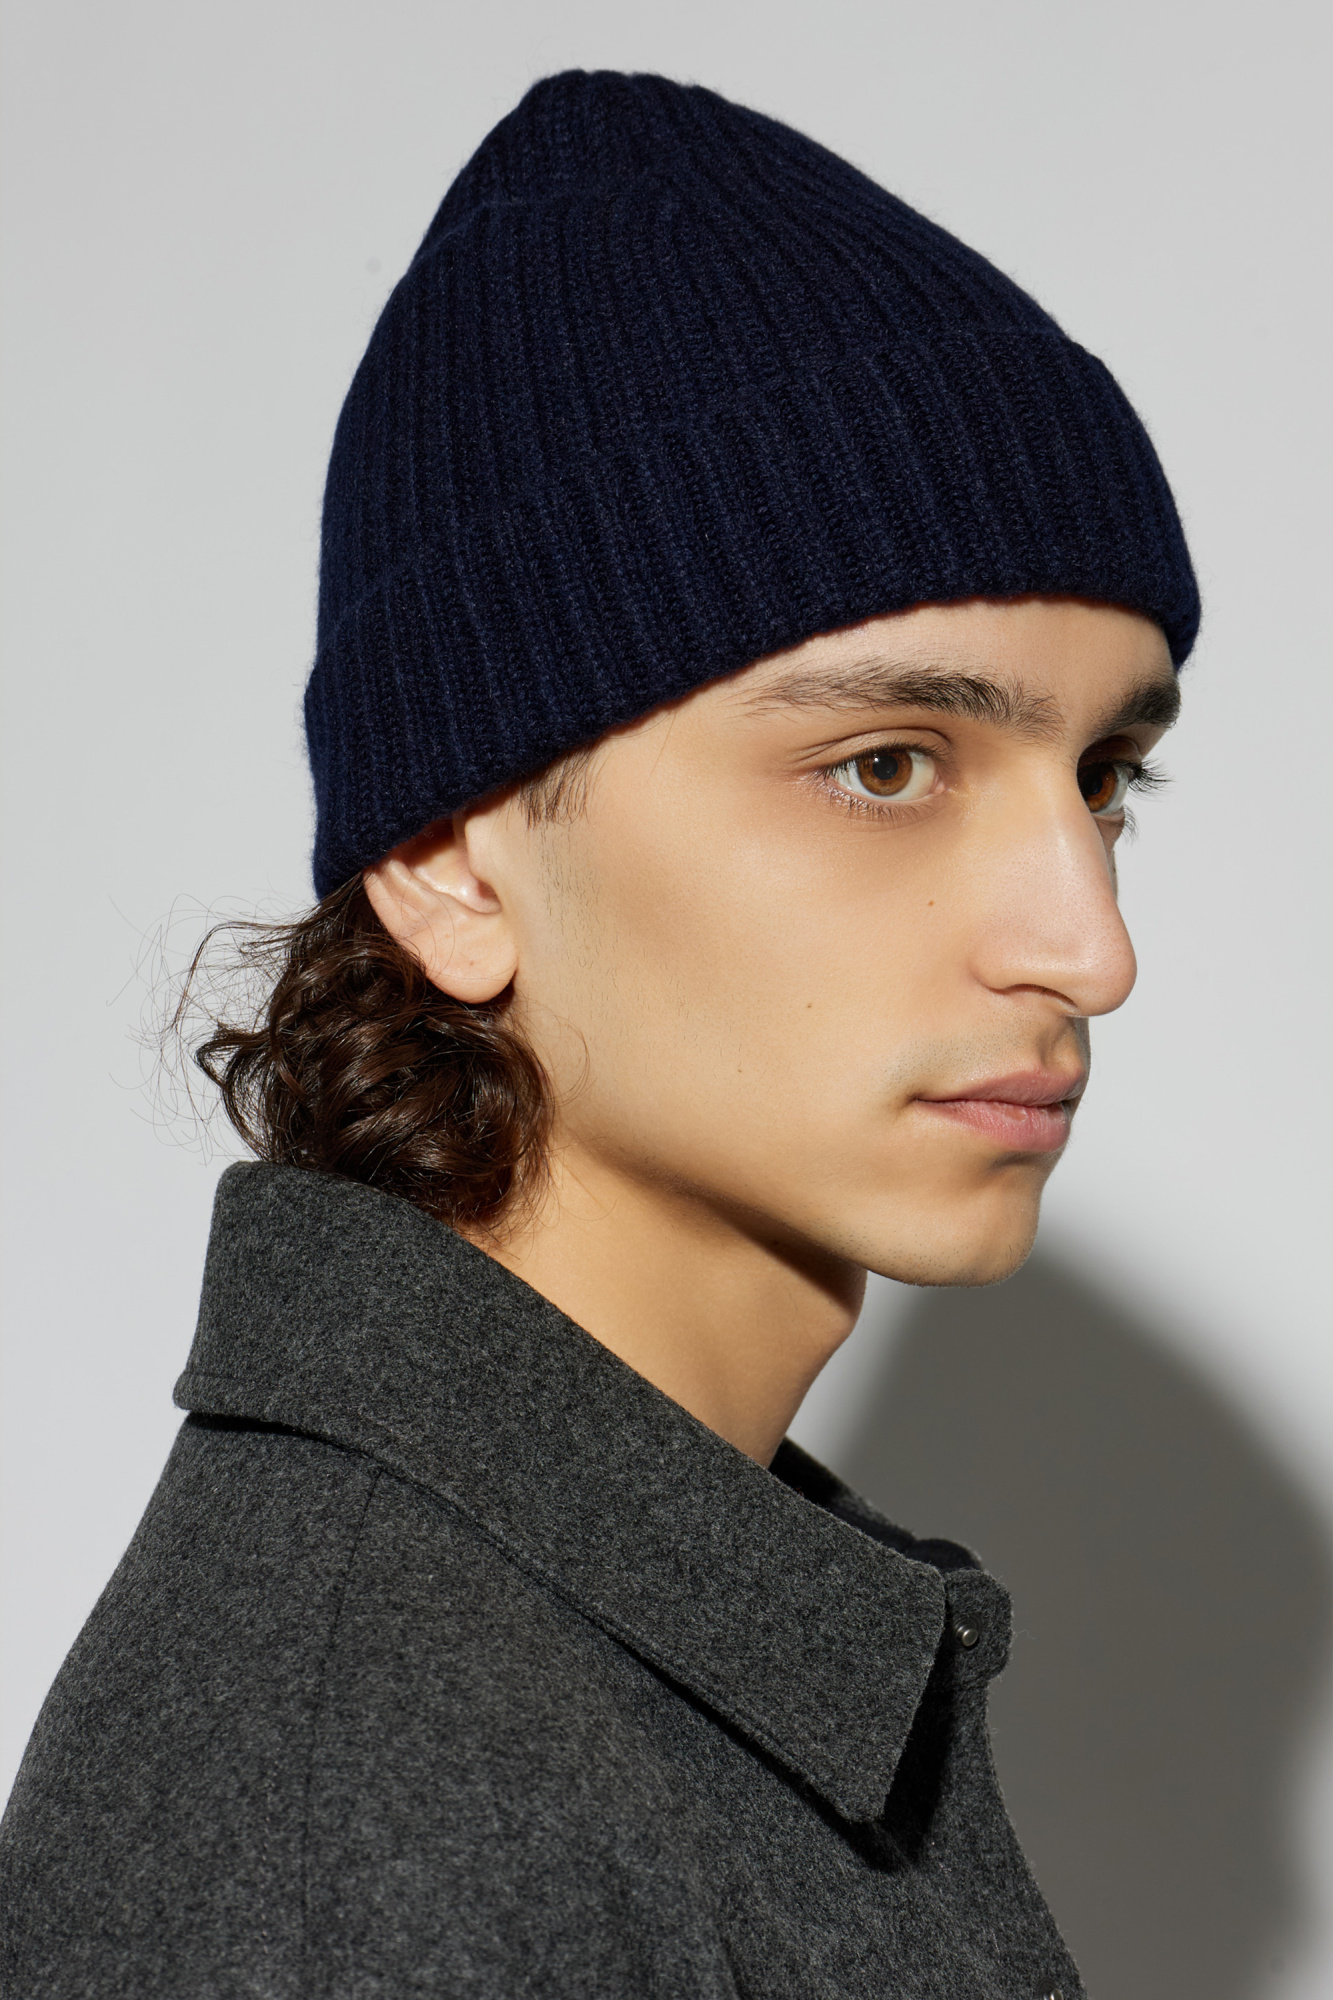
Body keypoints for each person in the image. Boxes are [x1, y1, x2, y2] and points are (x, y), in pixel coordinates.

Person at [0, 69, 1195, 1998]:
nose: (1089, 946)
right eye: (885, 765)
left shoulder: (588, 1671)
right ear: (449, 864)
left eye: (1104, 775)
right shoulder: (368, 1825)